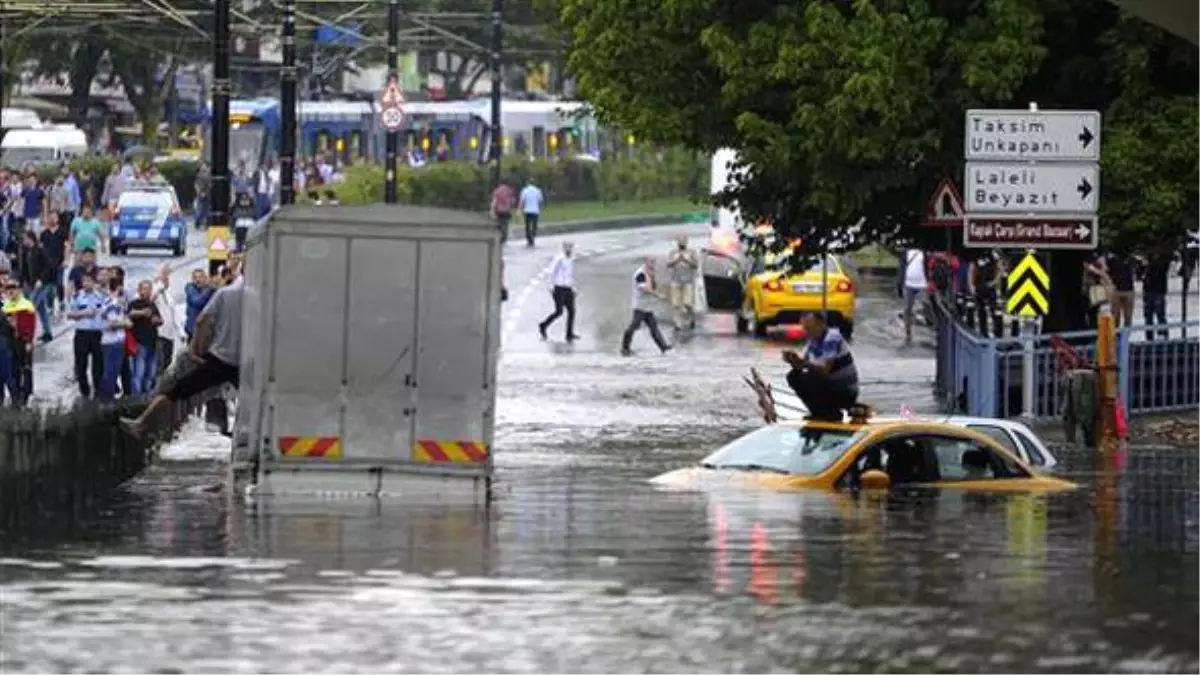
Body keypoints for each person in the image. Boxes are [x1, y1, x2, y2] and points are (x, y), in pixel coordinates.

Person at [120, 264, 244, 438]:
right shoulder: (260, 297)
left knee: (176, 390)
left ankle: (142, 422)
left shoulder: (225, 293)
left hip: (220, 358)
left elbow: (202, 321)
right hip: (246, 360)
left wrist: (194, 351)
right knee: (253, 397)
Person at [783, 312, 859, 421]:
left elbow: (825, 369)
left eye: (810, 328)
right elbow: (802, 366)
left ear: (821, 324)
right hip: (829, 385)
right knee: (793, 376)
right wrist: (792, 360)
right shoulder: (812, 341)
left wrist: (804, 363)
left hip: (845, 390)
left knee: (812, 376)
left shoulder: (832, 337)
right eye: (805, 329)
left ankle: (832, 413)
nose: (808, 332)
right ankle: (818, 411)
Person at [621, 256, 672, 356]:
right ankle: (625, 347)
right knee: (634, 326)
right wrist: (658, 295)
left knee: (654, 327)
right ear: (646, 262)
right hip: (640, 306)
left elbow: (652, 286)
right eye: (651, 262)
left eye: (654, 263)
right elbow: (646, 289)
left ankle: (663, 347)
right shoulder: (640, 274)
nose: (653, 265)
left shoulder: (649, 273)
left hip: (648, 306)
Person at [67, 271, 106, 399]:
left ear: (94, 282)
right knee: (81, 365)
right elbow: (69, 314)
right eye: (84, 281)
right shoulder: (77, 296)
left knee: (98, 364)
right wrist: (84, 313)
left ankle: (98, 391)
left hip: (97, 334)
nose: (86, 284)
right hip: (82, 334)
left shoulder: (101, 296)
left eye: (89, 281)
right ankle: (84, 391)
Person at [14, 231, 55, 343]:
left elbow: (48, 265)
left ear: (30, 238)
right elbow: (24, 268)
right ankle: (47, 332)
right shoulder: (26, 251)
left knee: (30, 307)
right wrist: (22, 283)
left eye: (25, 239)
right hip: (31, 283)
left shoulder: (40, 250)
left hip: (41, 284)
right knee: (42, 309)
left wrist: (41, 279)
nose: (23, 241)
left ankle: (28, 334)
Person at [3, 281, 37, 405]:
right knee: (14, 369)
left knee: (26, 369)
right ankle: (17, 394)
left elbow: (32, 325)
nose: (11, 291)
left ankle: (27, 394)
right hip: (11, 342)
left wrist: (30, 341)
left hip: (24, 341)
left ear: (19, 290)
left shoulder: (26, 305)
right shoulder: (6, 306)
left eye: (14, 289)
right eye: (9, 289)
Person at [537, 241, 578, 341]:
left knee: (572, 311)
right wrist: (551, 286)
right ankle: (543, 325)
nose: (569, 249)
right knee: (559, 311)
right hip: (558, 288)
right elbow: (551, 271)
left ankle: (569, 333)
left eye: (571, 247)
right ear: (564, 248)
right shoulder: (559, 259)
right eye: (567, 247)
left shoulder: (571, 259)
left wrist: (573, 287)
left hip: (568, 287)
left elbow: (570, 274)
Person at [97, 277, 130, 402]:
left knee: (111, 372)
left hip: (111, 341)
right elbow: (111, 324)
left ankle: (106, 399)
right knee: (111, 373)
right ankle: (106, 401)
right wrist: (125, 324)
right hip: (113, 342)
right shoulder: (112, 304)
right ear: (117, 288)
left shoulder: (108, 302)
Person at [151, 263, 179, 380]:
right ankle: (156, 389)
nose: (166, 281)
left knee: (168, 361)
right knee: (160, 363)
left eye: (167, 279)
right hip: (159, 334)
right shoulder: (155, 293)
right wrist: (158, 285)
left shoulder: (169, 295)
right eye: (164, 279)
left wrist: (180, 332)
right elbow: (150, 299)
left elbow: (174, 315)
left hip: (170, 334)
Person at [665, 234, 698, 330]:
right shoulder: (673, 252)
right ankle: (677, 324)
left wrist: (686, 261)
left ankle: (692, 317)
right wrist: (677, 260)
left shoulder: (692, 252)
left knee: (687, 303)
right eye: (680, 241)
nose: (682, 243)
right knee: (675, 304)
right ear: (677, 242)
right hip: (675, 280)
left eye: (683, 241)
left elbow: (696, 265)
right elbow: (668, 264)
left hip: (688, 281)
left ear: (686, 242)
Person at [38, 211, 68, 312]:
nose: (52, 219)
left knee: (59, 283)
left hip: (59, 261)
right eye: (50, 217)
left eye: (54, 217)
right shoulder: (44, 234)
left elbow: (67, 247)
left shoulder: (63, 231)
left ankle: (61, 301)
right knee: (48, 285)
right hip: (47, 264)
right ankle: (49, 306)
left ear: (58, 219)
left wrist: (66, 260)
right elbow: (41, 248)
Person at [968, 250, 1003, 338]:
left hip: (990, 286)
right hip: (979, 286)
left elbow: (1000, 269)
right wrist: (971, 285)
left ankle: (998, 333)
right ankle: (983, 333)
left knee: (994, 310)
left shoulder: (993, 255)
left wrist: (994, 282)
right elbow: (971, 269)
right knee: (981, 311)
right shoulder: (976, 255)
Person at [1142, 246, 1173, 341]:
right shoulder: (1151, 260)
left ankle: (1161, 334)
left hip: (1157, 290)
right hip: (1151, 290)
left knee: (1159, 314)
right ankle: (1151, 336)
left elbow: (1160, 272)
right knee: (1150, 315)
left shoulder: (1162, 260)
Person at [901, 247, 926, 344]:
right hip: (909, 284)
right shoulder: (906, 252)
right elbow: (902, 268)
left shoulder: (924, 252)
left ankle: (935, 328)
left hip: (923, 284)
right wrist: (900, 284)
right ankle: (908, 332)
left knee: (926, 307)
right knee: (907, 309)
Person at [184, 269, 214, 341]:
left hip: (206, 332)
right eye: (195, 277)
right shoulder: (190, 288)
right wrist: (210, 288)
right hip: (194, 332)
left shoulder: (208, 290)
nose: (197, 280)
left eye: (200, 277)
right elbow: (197, 302)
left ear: (205, 278)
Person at [518, 179, 544, 247]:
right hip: (535, 211)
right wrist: (541, 210)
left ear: (528, 183)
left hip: (527, 211)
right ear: (534, 183)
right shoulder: (538, 191)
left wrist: (519, 210)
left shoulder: (525, 190)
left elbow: (522, 201)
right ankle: (533, 235)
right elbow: (540, 201)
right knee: (534, 225)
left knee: (527, 225)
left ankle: (529, 238)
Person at [490, 179, 515, 244]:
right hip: (506, 210)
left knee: (499, 223)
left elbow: (494, 201)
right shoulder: (510, 191)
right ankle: (504, 237)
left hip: (498, 210)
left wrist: (492, 210)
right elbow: (512, 202)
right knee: (505, 224)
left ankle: (500, 235)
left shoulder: (497, 190)